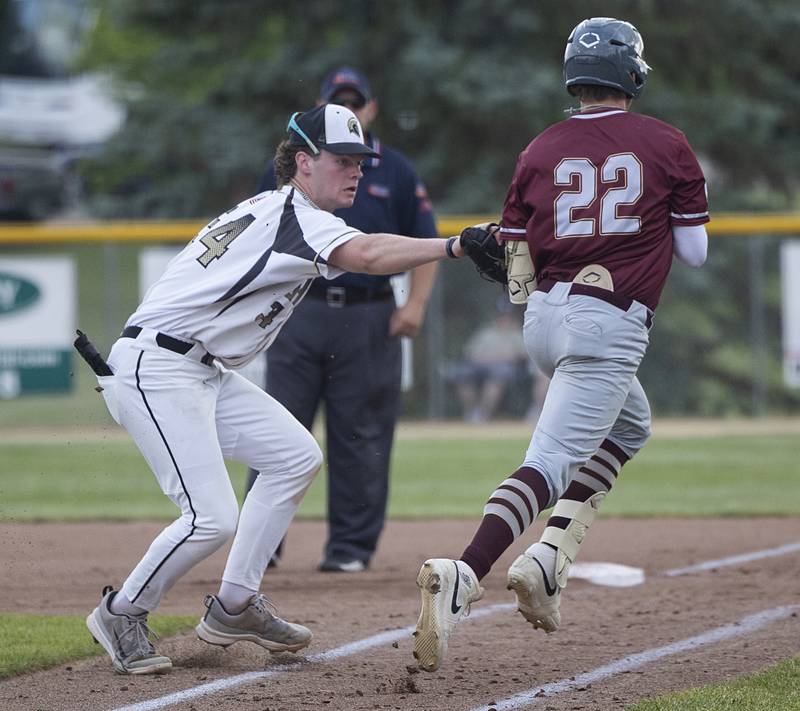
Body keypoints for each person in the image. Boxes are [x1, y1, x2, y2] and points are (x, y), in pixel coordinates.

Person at [83, 103, 465, 675]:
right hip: (158, 368)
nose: (356, 171)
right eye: (342, 160)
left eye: (360, 161)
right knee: (210, 517)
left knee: (294, 456)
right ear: (304, 163)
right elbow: (366, 254)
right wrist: (452, 246)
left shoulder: (284, 209)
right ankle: (121, 612)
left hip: (198, 369)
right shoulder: (298, 215)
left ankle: (235, 604)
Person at [412, 16, 709, 672]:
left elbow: (513, 248)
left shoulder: (540, 146)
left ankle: (549, 557)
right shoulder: (666, 143)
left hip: (544, 319)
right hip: (608, 322)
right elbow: (693, 250)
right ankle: (464, 571)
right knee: (546, 463)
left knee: (632, 426)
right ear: (632, 73)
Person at [244, 67, 438, 573]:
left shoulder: (394, 170)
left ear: (371, 109)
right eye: (339, 102)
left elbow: (422, 241)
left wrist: (414, 305)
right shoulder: (294, 168)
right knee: (276, 429)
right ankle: (260, 548)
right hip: (301, 313)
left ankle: (350, 551)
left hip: (368, 316)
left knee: (363, 436)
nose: (350, 110)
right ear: (323, 105)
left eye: (357, 102)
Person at [446, 301, 528, 423]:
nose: (504, 319)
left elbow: (523, 355)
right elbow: (470, 352)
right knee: (462, 374)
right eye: (501, 316)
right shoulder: (485, 332)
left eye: (507, 316)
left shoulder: (517, 333)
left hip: (504, 369)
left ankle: (483, 414)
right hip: (479, 366)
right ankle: (471, 411)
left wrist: (500, 358)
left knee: (496, 378)